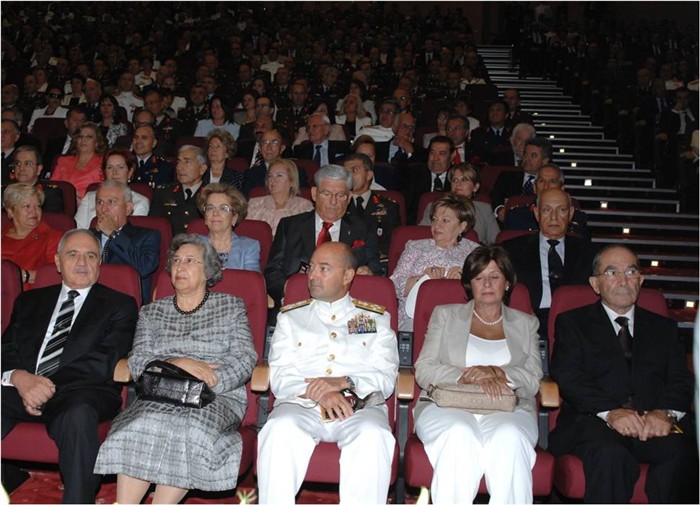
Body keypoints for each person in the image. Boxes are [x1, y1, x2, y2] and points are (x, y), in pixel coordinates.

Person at [94, 234, 257, 503]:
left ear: (207, 271)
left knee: (186, 425)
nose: (180, 267)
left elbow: (245, 357)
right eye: (176, 261)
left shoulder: (230, 306)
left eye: (190, 261)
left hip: (215, 395)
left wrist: (210, 380)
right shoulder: (152, 312)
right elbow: (137, 362)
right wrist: (176, 363)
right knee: (144, 422)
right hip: (160, 393)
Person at [550, 245, 698, 503]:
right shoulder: (573, 323)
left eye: (631, 271)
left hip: (653, 420)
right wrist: (612, 412)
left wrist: (665, 412)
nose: (623, 280)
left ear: (640, 280)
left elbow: (681, 379)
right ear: (595, 283)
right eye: (612, 272)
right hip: (595, 421)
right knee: (610, 455)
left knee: (684, 451)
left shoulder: (663, 327)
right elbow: (568, 375)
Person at [2, 229, 139, 503]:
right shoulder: (30, 300)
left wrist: (44, 386)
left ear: (100, 264)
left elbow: (104, 359)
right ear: (57, 262)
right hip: (23, 388)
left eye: (91, 256)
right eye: (73, 254)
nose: (82, 262)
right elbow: (7, 349)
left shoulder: (120, 305)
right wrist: (19, 378)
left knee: (78, 414)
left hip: (81, 390)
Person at [257, 241, 399, 504]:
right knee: (278, 429)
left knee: (373, 435)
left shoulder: (373, 318)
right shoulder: (291, 318)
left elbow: (386, 375)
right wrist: (321, 394)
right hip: (302, 405)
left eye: (324, 269)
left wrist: (345, 383)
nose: (312, 275)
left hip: (359, 407)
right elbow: (281, 374)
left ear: (348, 276)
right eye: (311, 268)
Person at [414, 245, 543, 504]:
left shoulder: (526, 323)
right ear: (469, 284)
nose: (487, 284)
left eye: (494, 276)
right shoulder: (446, 315)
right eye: (478, 277)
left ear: (507, 282)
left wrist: (496, 372)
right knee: (459, 434)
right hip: (447, 405)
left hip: (508, 408)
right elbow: (424, 368)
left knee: (510, 437)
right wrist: (469, 376)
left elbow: (532, 378)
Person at [265, 164, 383, 308]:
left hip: (346, 307)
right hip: (297, 304)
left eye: (340, 195)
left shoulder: (363, 228)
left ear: (349, 197)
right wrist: (289, 290)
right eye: (326, 194)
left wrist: (369, 271)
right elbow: (272, 272)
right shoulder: (290, 226)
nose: (333, 202)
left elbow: (377, 268)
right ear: (314, 193)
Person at [502, 188, 597, 338]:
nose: (554, 217)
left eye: (561, 210)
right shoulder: (510, 250)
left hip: (576, 326)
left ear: (571, 214)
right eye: (547, 210)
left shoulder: (590, 253)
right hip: (525, 322)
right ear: (537, 213)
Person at [391, 193, 479, 330]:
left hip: (461, 318)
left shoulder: (475, 252)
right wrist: (422, 280)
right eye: (434, 219)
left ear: (462, 226)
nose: (437, 225)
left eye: (445, 220)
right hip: (415, 318)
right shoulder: (415, 246)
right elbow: (394, 285)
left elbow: (486, 289)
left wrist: (464, 281)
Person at [89, 180, 160, 303]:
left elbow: (144, 268)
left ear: (128, 208)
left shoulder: (147, 236)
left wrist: (114, 234)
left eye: (111, 202)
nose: (103, 209)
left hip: (126, 304)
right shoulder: (87, 237)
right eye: (99, 202)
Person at [419, 163, 500, 244]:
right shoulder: (435, 207)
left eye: (464, 180)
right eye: (455, 180)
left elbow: (496, 241)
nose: (458, 184)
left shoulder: (484, 209)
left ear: (475, 187)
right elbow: (421, 236)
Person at [1, 183, 62, 288]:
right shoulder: (2, 234)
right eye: (27, 206)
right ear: (10, 211)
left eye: (38, 206)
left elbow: (55, 275)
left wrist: (24, 275)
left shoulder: (52, 237)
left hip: (29, 297)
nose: (34, 211)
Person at [343, 153, 401, 262]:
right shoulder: (338, 204)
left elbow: (393, 243)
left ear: (369, 175)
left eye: (354, 171)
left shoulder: (388, 207)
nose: (348, 176)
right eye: (345, 173)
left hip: (377, 262)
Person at [74, 149, 150, 229]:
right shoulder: (90, 197)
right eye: (110, 167)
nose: (115, 172)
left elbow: (132, 234)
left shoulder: (140, 201)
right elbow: (77, 229)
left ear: (130, 172)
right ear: (104, 172)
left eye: (120, 167)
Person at [196, 183, 260, 272]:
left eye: (223, 208)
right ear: (205, 218)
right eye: (210, 208)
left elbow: (251, 283)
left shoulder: (248, 247)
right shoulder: (193, 245)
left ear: (234, 218)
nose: (215, 213)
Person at [491, 137, 553, 222]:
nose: (527, 159)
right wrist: (499, 209)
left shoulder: (551, 182)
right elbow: (495, 197)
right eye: (525, 154)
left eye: (533, 156)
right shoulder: (507, 177)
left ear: (545, 161)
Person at [247, 158, 313, 236]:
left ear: (291, 181)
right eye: (270, 176)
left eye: (279, 176)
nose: (273, 180)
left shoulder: (304, 206)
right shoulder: (254, 204)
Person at [150, 145, 207, 234]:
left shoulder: (210, 195)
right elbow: (154, 226)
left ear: (202, 169)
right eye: (178, 162)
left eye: (187, 162)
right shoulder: (163, 192)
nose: (179, 167)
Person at [50, 123, 107, 204]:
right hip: (59, 203)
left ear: (97, 142)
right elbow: (52, 186)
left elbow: (103, 191)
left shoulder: (103, 163)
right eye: (80, 136)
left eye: (89, 137)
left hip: (88, 205)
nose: (83, 140)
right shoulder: (62, 161)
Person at [7, 145, 64, 213]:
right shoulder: (5, 191)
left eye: (28, 164)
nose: (21, 168)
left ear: (39, 169)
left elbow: (52, 221)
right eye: (17, 163)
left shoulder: (50, 194)